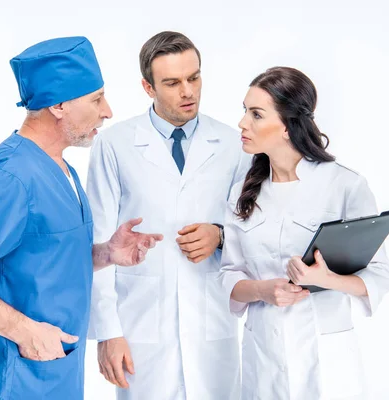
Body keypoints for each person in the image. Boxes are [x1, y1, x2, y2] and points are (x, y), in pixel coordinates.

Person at [0, 36, 163, 400]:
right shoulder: (11, 177)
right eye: (96, 99)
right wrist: (24, 331)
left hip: (56, 373)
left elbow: (43, 257)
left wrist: (105, 254)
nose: (108, 111)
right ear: (60, 105)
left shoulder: (61, 168)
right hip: (17, 379)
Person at [86, 31, 250, 400]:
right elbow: (97, 244)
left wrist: (220, 235)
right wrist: (109, 331)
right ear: (148, 87)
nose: (188, 92)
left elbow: (252, 230)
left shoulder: (232, 144)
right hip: (141, 324)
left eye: (194, 78)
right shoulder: (115, 144)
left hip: (211, 322)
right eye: (172, 83)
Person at [219, 66, 389, 399]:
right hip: (264, 361)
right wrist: (261, 290)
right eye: (244, 111)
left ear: (288, 126)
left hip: (327, 361)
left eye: (256, 114)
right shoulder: (242, 194)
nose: (243, 123)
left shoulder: (344, 185)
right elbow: (228, 277)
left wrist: (326, 279)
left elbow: (382, 275)